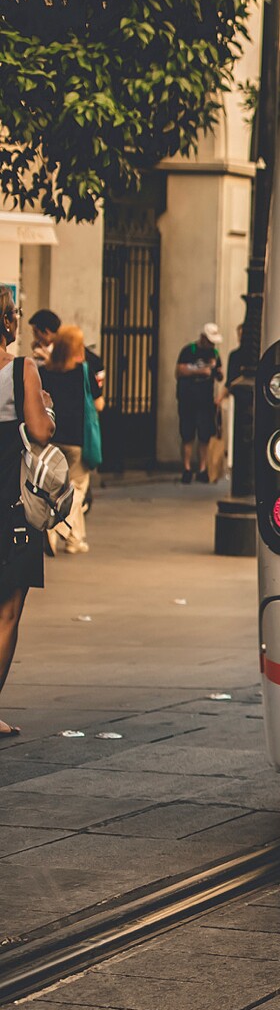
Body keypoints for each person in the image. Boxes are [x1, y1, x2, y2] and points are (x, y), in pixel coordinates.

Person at [0, 296, 57, 736]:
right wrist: (46, 407)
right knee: (7, 611)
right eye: (15, 314)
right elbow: (40, 431)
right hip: (9, 502)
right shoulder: (20, 369)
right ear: (5, 320)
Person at [40, 326, 96, 554]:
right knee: (77, 490)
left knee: (54, 490)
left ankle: (75, 540)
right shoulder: (82, 371)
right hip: (77, 440)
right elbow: (99, 403)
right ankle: (56, 530)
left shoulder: (44, 371)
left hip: (51, 439)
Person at [175, 323, 224, 483]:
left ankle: (203, 468)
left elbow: (220, 375)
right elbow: (179, 371)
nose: (211, 345)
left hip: (205, 400)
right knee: (187, 434)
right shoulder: (189, 351)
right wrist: (200, 371)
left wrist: (217, 372)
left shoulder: (214, 354)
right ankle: (187, 467)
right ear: (203, 338)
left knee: (204, 435)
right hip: (188, 399)